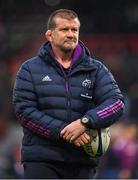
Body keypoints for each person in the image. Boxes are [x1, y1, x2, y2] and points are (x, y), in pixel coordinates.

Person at [13, 9, 124, 179]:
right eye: (64, 29)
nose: (71, 34)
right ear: (50, 35)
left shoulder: (96, 69)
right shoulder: (29, 69)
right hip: (43, 160)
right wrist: (64, 131)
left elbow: (116, 103)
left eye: (75, 30)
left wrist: (85, 122)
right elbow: (24, 112)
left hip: (82, 161)